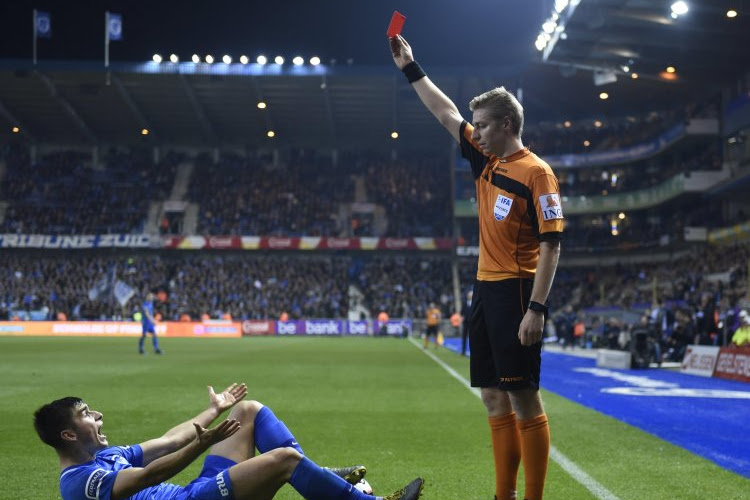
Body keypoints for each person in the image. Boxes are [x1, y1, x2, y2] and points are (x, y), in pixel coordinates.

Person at [390, 35, 563, 500]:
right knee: (492, 396)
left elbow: (552, 245)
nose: (476, 132)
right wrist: (411, 67)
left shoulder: (537, 173)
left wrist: (538, 308)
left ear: (508, 124)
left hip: (519, 292)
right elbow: (445, 112)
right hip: (485, 290)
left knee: (523, 396)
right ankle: (502, 495)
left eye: (484, 125)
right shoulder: (485, 160)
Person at [34, 383, 424, 500]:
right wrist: (202, 446)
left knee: (248, 410)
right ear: (68, 434)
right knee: (285, 460)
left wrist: (216, 410)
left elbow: (172, 439)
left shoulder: (109, 455)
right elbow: (149, 476)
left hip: (195, 492)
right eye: (87, 414)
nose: (98, 416)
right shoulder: (79, 483)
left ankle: (318, 476)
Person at [461, 290, 473, 356]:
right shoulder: (465, 303)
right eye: (469, 295)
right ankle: (463, 351)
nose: (469, 296)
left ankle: (473, 352)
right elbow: (462, 312)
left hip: (472, 323)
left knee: (473, 338)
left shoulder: (474, 303)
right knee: (464, 337)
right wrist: (462, 317)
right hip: (465, 323)